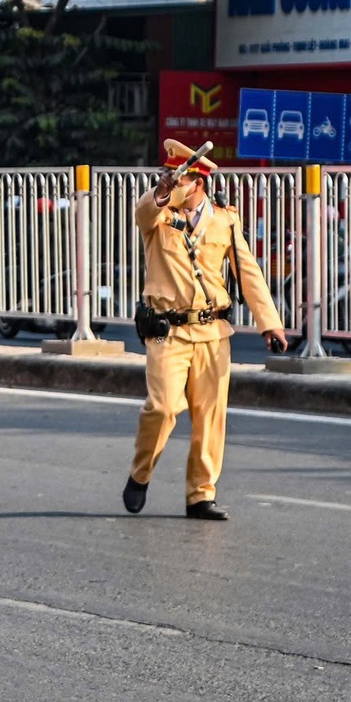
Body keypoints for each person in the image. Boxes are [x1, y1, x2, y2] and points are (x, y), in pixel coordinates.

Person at [123, 139, 286, 521]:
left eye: (176, 177)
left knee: (211, 415)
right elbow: (143, 213)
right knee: (163, 408)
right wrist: (160, 194)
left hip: (212, 331)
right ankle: (140, 473)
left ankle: (201, 495)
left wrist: (270, 322)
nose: (168, 181)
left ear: (197, 181)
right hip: (167, 331)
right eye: (166, 176)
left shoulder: (226, 220)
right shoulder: (158, 216)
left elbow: (249, 272)